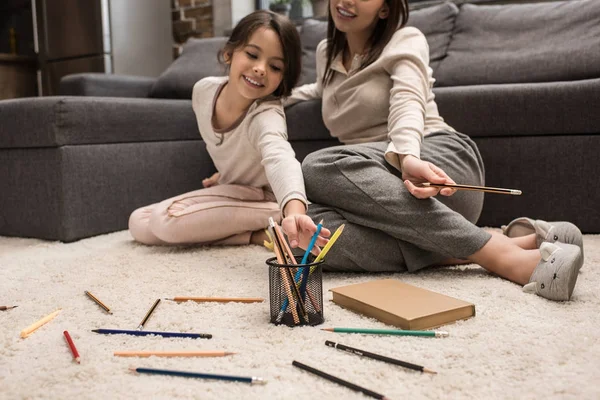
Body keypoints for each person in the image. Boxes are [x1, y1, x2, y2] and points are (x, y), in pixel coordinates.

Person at [285, 0, 584, 301]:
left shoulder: (405, 39)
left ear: (385, 9)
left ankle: (500, 255)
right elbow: (320, 90)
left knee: (318, 165)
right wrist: (261, 96)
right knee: (302, 237)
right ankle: (504, 242)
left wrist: (408, 157)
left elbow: (408, 100)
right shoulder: (327, 52)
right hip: (381, 196)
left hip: (434, 169)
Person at [129, 10, 330, 250]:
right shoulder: (203, 92)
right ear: (228, 53)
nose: (260, 69)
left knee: (163, 221)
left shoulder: (266, 115)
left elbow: (280, 158)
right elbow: (233, 150)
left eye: (275, 67)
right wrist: (226, 175)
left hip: (267, 197)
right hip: (236, 192)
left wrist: (295, 212)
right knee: (139, 222)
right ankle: (258, 235)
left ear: (282, 78)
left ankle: (282, 217)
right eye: (252, 55)